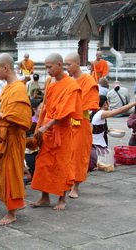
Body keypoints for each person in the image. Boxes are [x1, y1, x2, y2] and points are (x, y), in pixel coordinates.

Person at [30, 53, 82, 210]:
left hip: (62, 131)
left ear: (59, 65)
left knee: (61, 165)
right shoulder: (51, 84)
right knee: (43, 164)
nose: (47, 70)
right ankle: (44, 197)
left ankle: (61, 199)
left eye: (49, 67)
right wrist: (39, 128)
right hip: (47, 131)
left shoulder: (71, 86)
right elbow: (45, 108)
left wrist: (46, 126)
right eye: (45, 67)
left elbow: (65, 112)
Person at [0, 53, 32, 225]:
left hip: (13, 139)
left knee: (10, 174)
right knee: (3, 173)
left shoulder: (18, 88)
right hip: (4, 137)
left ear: (6, 68)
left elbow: (24, 119)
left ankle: (11, 213)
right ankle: (14, 204)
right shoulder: (8, 87)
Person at [64, 52, 99, 199]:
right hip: (66, 123)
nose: (66, 68)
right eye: (65, 64)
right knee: (67, 155)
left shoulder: (88, 80)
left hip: (80, 123)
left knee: (78, 156)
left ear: (77, 64)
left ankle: (76, 186)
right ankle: (67, 181)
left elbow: (88, 105)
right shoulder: (67, 80)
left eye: (69, 64)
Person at [90, 96, 136, 170]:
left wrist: (106, 130)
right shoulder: (101, 113)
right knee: (110, 163)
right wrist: (134, 103)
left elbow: (93, 129)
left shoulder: (93, 112)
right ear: (105, 103)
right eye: (108, 102)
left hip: (93, 145)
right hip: (97, 146)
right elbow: (120, 110)